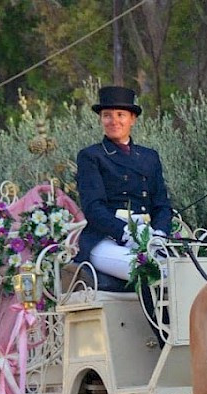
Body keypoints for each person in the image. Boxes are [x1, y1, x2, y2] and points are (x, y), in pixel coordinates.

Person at [69, 85, 174, 294]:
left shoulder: (149, 157)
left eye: (120, 115)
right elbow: (93, 208)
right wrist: (125, 232)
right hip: (106, 239)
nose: (114, 121)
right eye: (107, 115)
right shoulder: (92, 156)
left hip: (148, 236)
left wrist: (160, 233)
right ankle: (157, 328)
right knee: (148, 270)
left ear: (132, 118)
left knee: (182, 269)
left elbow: (161, 204)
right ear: (101, 119)